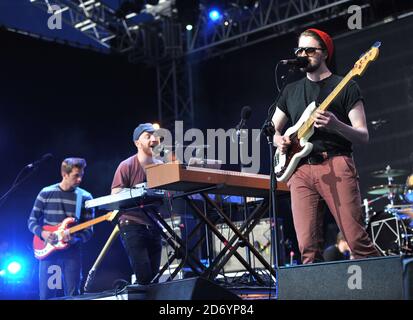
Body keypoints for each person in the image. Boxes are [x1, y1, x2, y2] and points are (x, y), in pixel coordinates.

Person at [272, 28, 380, 264]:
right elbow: (273, 128)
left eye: (309, 50)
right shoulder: (291, 91)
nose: (303, 54)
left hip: (336, 162)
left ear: (324, 53)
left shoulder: (347, 86)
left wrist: (337, 125)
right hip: (299, 171)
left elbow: (363, 136)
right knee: (307, 248)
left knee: (356, 239)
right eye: (299, 49)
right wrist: (278, 140)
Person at [28, 157, 94, 299]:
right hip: (49, 252)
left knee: (72, 296)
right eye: (76, 175)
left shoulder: (85, 197)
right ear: (64, 174)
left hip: (72, 254)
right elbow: (32, 221)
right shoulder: (46, 192)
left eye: (81, 175)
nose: (79, 179)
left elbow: (89, 231)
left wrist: (75, 239)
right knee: (48, 296)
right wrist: (43, 234)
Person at [111, 123, 163, 285]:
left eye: (155, 135)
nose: (153, 139)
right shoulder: (126, 165)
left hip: (154, 225)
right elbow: (115, 195)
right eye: (148, 136)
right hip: (132, 225)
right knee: (144, 275)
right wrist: (138, 191)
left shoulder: (161, 166)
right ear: (137, 143)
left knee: (154, 277)